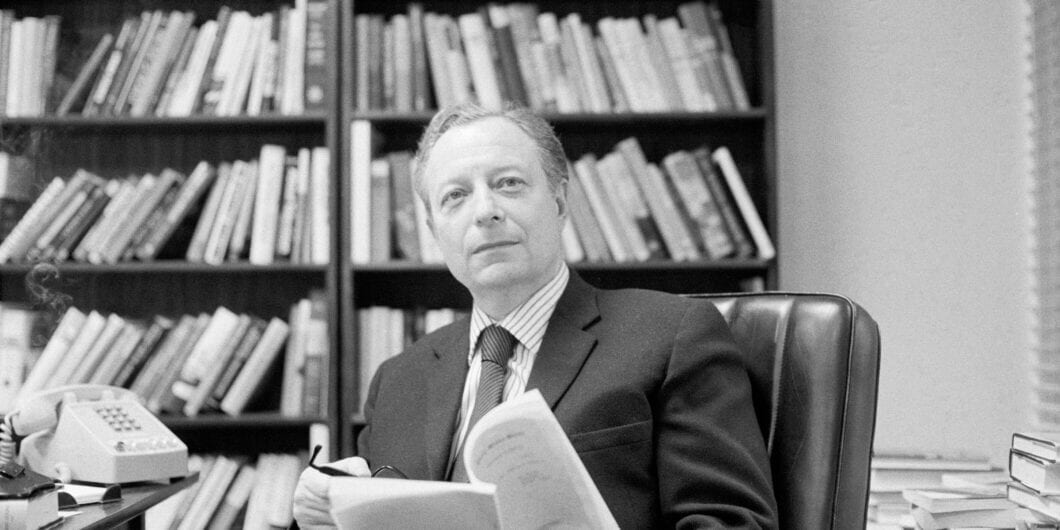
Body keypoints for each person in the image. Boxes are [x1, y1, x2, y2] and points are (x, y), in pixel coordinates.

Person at [293, 103, 778, 529]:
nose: (485, 211)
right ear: (434, 230)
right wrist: (325, 514)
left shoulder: (670, 336)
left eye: (508, 184)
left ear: (561, 201)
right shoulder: (397, 382)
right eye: (455, 196)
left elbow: (732, 523)